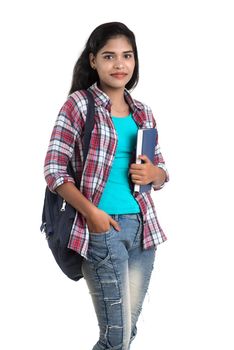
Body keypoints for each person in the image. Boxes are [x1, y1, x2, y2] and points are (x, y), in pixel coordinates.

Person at [44, 22, 169, 350]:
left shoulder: (143, 112)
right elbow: (54, 171)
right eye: (109, 56)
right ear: (93, 61)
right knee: (116, 337)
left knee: (125, 333)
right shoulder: (79, 106)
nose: (119, 64)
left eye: (127, 56)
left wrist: (155, 174)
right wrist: (93, 215)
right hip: (100, 228)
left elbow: (161, 171)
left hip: (144, 231)